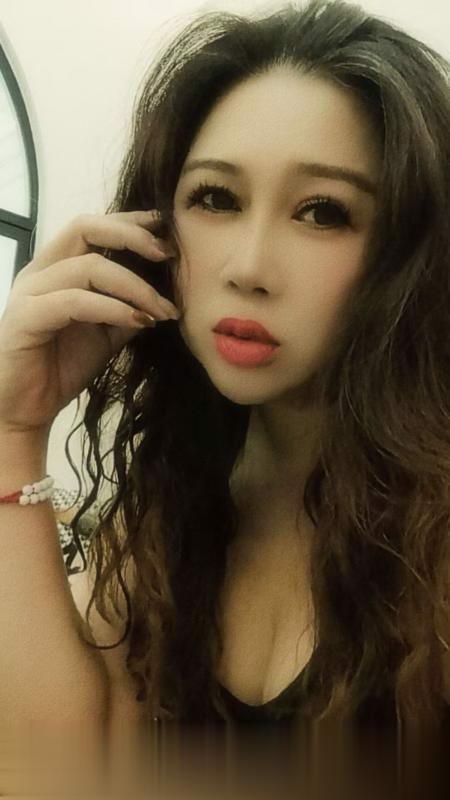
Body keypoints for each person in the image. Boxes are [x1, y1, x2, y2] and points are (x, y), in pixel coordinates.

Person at [0, 0, 448, 750]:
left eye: (323, 212)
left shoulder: (433, 539)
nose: (248, 267)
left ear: (410, 257)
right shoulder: (167, 512)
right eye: (216, 198)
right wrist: (14, 431)